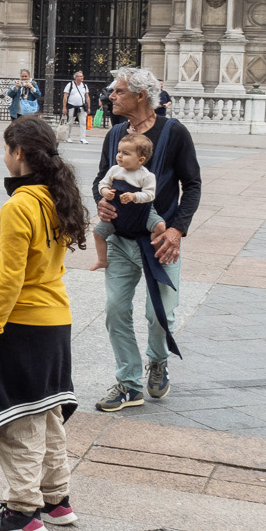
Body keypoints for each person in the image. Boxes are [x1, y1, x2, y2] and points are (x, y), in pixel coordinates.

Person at [0, 116, 87, 531]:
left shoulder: (19, 205)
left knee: (17, 419)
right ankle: (56, 499)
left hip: (23, 323)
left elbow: (11, 280)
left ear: (18, 153)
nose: (3, 156)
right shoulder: (56, 196)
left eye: (5, 148)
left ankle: (22, 511)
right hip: (55, 320)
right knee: (47, 411)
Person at [93, 67, 201, 413]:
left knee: (159, 314)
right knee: (115, 310)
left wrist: (176, 229)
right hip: (120, 241)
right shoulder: (114, 136)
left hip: (160, 242)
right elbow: (101, 177)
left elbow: (193, 184)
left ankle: (158, 360)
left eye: (118, 91)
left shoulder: (174, 132)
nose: (111, 96)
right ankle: (129, 383)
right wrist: (102, 202)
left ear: (140, 95)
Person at [90, 134, 166, 271]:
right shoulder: (114, 170)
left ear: (140, 160)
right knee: (97, 233)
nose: (119, 155)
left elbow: (150, 195)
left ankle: (156, 250)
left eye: (125, 153)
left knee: (160, 226)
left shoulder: (147, 176)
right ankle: (102, 260)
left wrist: (134, 196)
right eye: (119, 151)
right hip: (118, 212)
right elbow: (102, 183)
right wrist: (105, 191)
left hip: (142, 211)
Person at [60, 71, 90, 144]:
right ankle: (68, 137)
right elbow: (65, 96)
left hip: (81, 107)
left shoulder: (84, 86)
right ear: (76, 77)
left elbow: (87, 96)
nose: (81, 78)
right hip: (72, 106)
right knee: (70, 122)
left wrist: (88, 107)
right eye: (80, 76)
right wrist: (64, 107)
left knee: (83, 122)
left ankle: (82, 138)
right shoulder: (70, 85)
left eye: (82, 76)